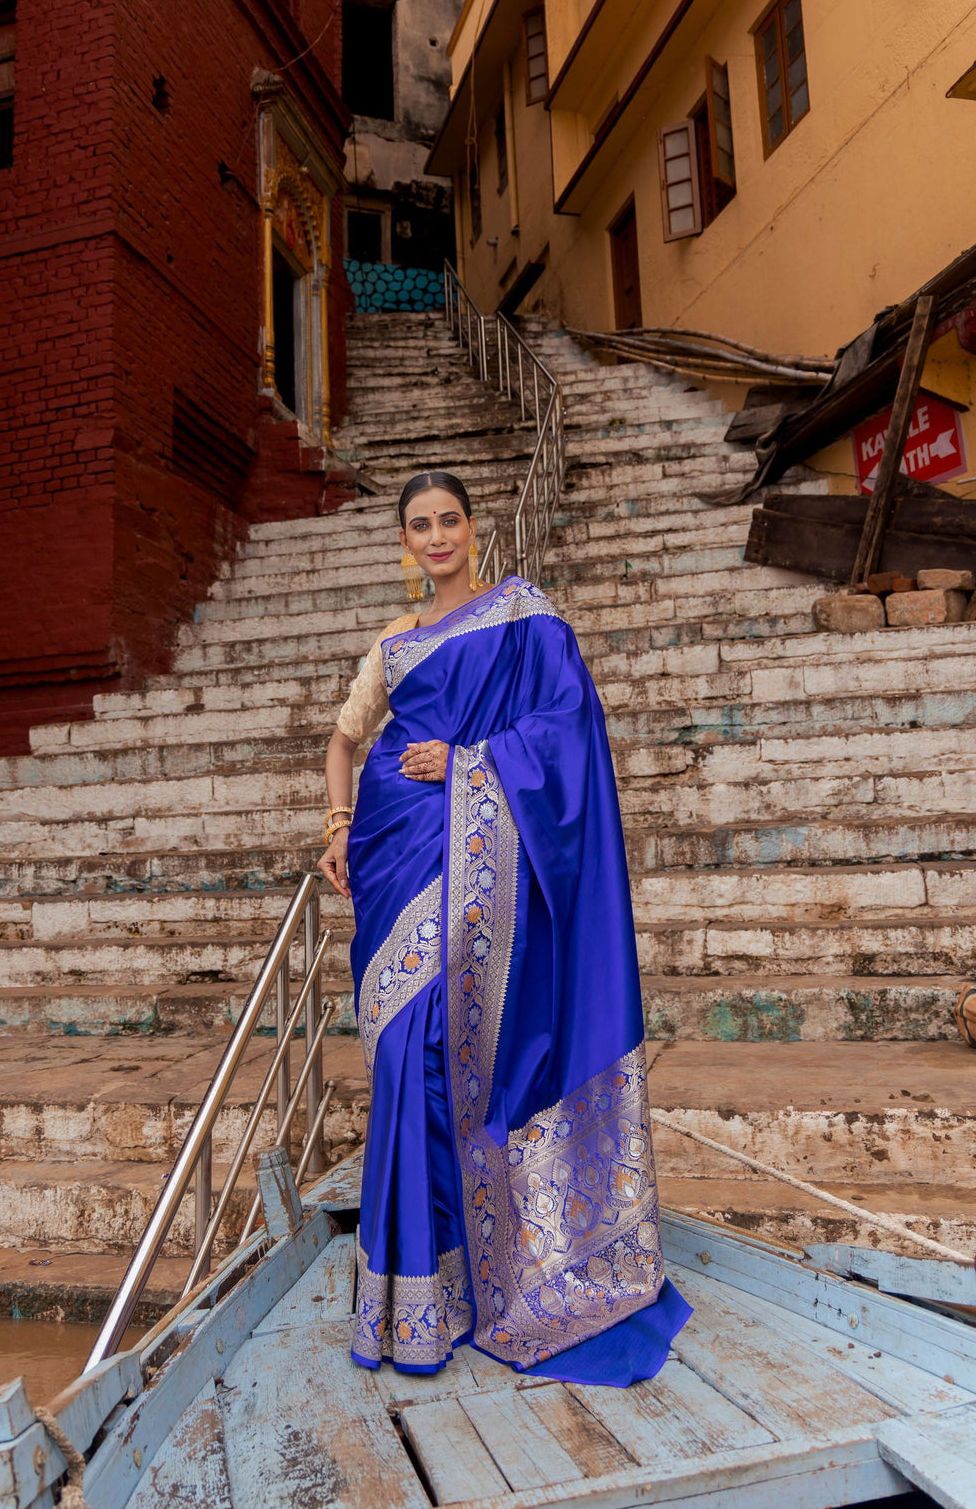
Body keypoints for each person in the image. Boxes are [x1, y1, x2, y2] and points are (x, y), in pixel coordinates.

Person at [318, 471, 690, 1385]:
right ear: (404, 542)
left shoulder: (525, 617)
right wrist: (336, 824)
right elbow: (342, 739)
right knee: (405, 1057)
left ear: (473, 528)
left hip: (478, 862)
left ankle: (490, 1274)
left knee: (453, 1052)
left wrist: (467, 759)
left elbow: (568, 729)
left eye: (448, 519)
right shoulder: (392, 643)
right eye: (419, 525)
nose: (436, 535)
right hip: (392, 855)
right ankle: (419, 1292)